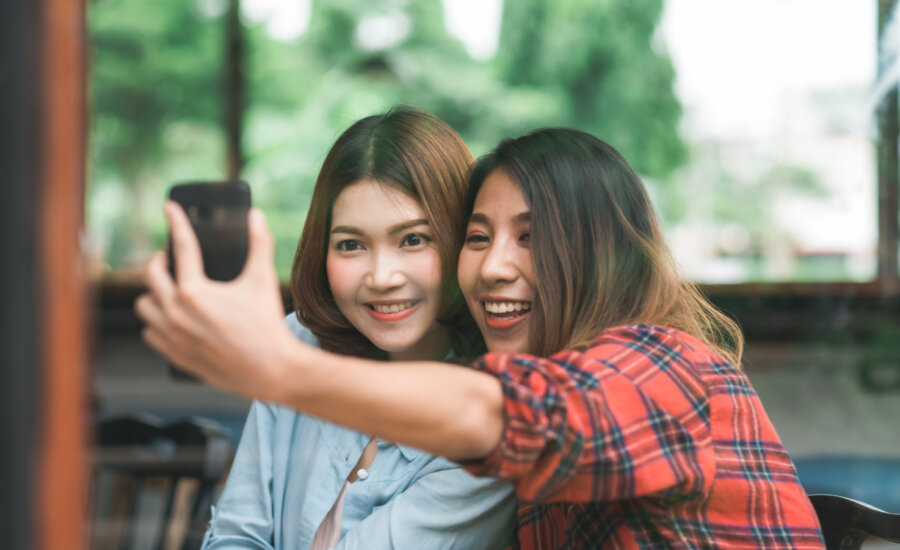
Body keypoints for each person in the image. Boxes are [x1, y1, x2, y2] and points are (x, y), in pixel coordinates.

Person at [137, 127, 826, 549]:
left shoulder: (661, 366)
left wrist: (275, 369)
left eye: (532, 238)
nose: (493, 266)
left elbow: (505, 415)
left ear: (602, 253)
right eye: (478, 237)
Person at [173, 106, 516, 549]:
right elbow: (235, 536)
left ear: (462, 240)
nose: (382, 277)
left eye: (413, 239)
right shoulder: (298, 342)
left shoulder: (490, 416)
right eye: (351, 244)